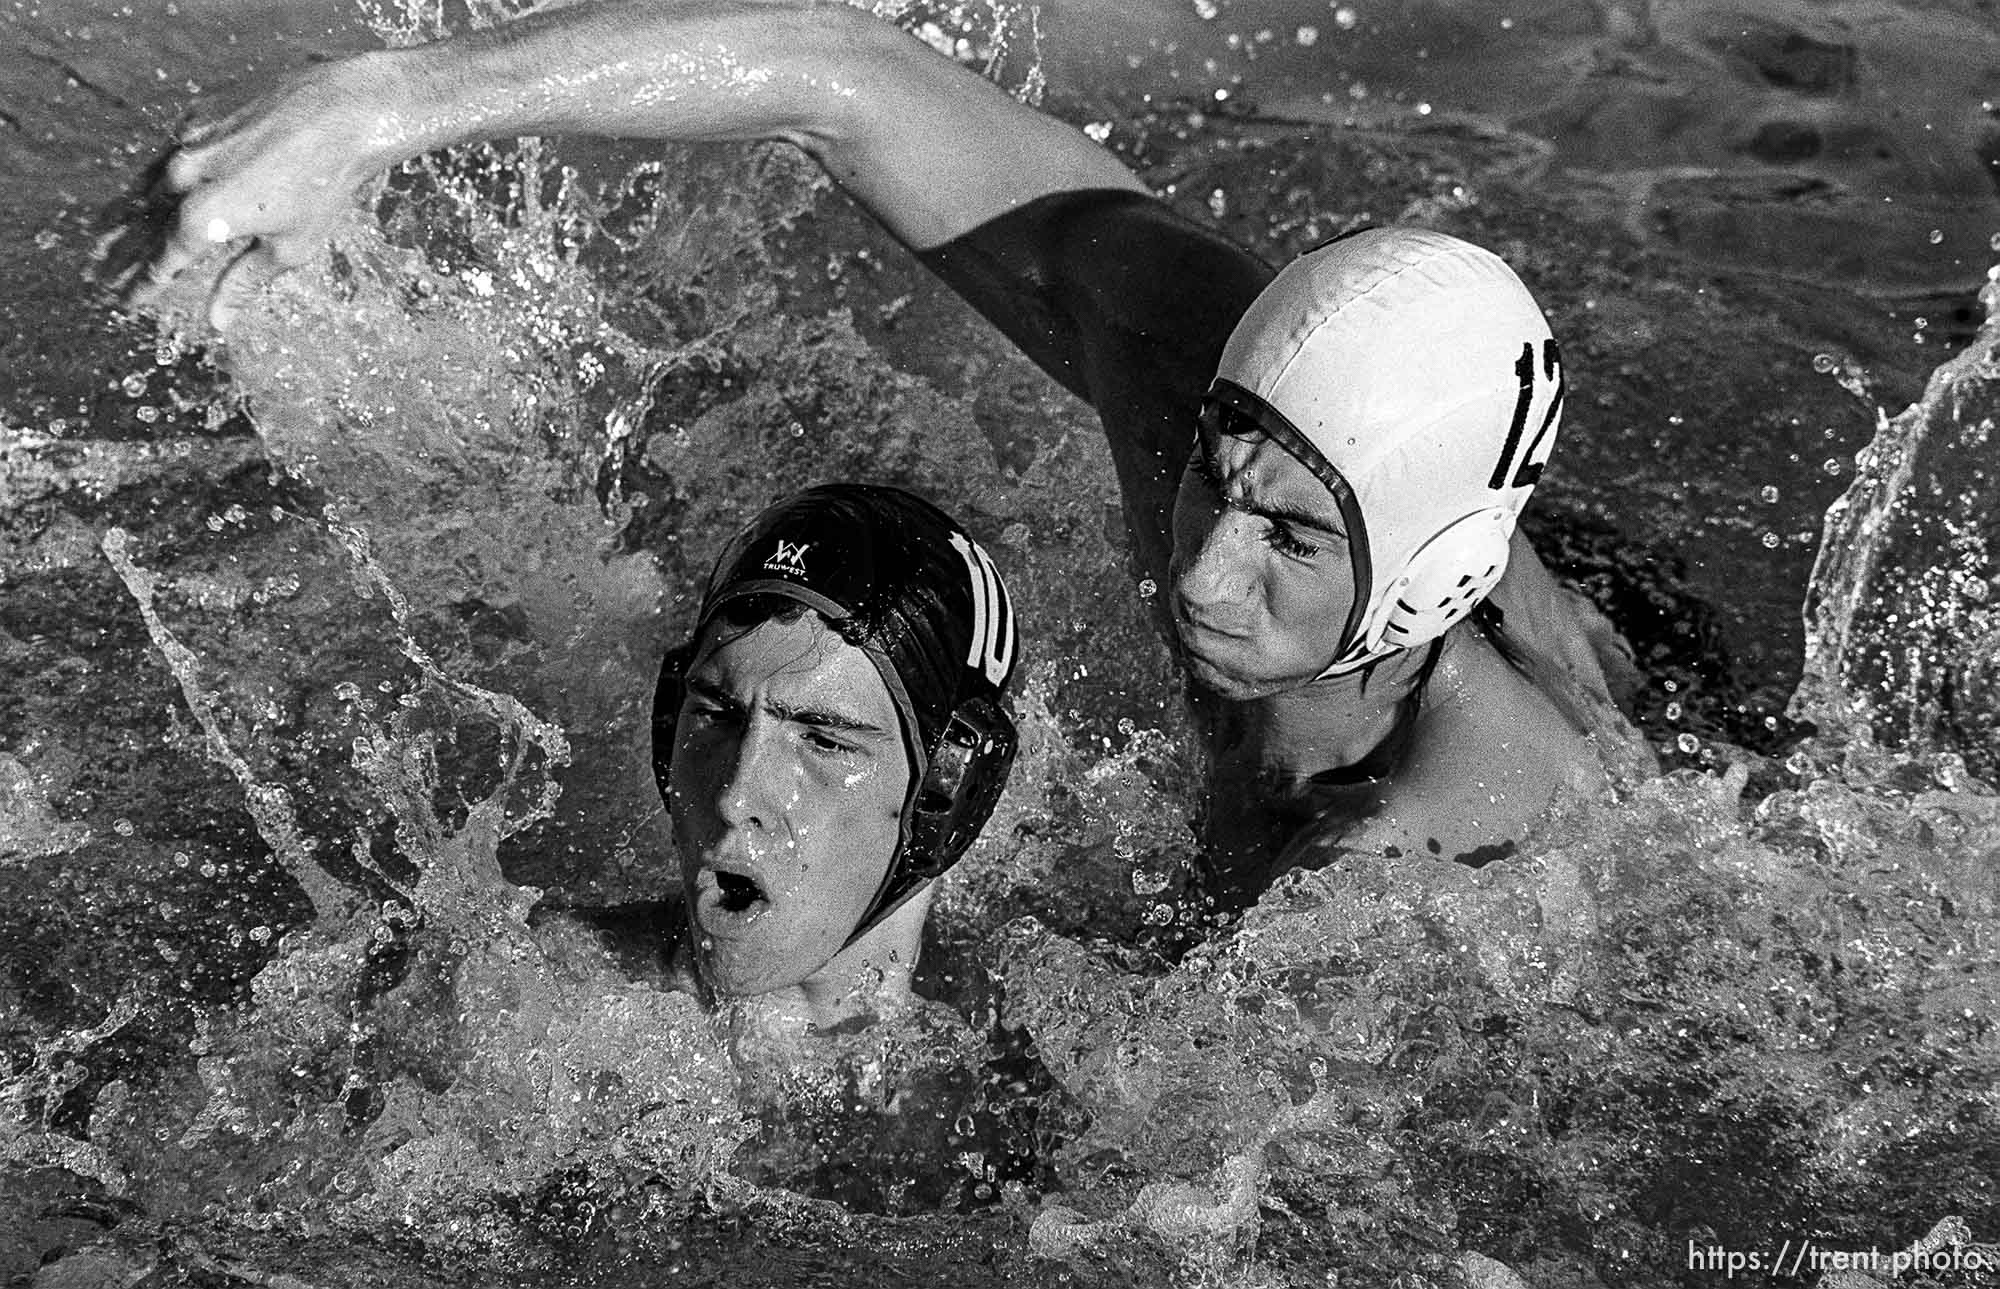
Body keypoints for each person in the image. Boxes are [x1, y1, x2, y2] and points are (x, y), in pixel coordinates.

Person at [103, 0, 1645, 915]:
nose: (1201, 565)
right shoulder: (1204, 372)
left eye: (1291, 543)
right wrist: (371, 112)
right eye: (1215, 482)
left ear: (1423, 583)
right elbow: (842, 80)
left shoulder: (1431, 846)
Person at [579, 480, 1020, 1030]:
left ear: (947, 800)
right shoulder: (525, 999)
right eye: (717, 716)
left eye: (825, 741)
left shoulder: (1057, 1065)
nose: (734, 797)